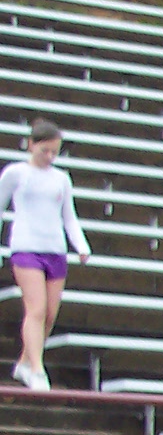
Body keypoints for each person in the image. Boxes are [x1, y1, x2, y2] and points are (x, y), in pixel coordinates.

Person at [4, 118, 89, 390]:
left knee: (50, 315)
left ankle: (25, 362)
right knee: (36, 308)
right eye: (45, 151)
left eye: (55, 152)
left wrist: (81, 245)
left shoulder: (61, 178)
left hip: (55, 250)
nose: (50, 157)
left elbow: (69, 217)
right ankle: (37, 370)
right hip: (26, 248)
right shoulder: (16, 173)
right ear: (31, 145)